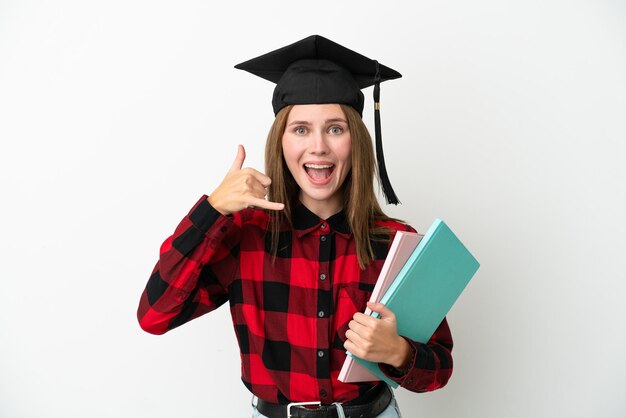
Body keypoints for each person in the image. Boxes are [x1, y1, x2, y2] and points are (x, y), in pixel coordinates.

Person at [137, 35, 453, 418]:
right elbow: (155, 315)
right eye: (300, 129)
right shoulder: (244, 235)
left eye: (335, 128)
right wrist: (214, 210)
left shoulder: (395, 242)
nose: (318, 146)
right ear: (281, 142)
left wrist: (398, 352)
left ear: (356, 141)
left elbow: (439, 368)